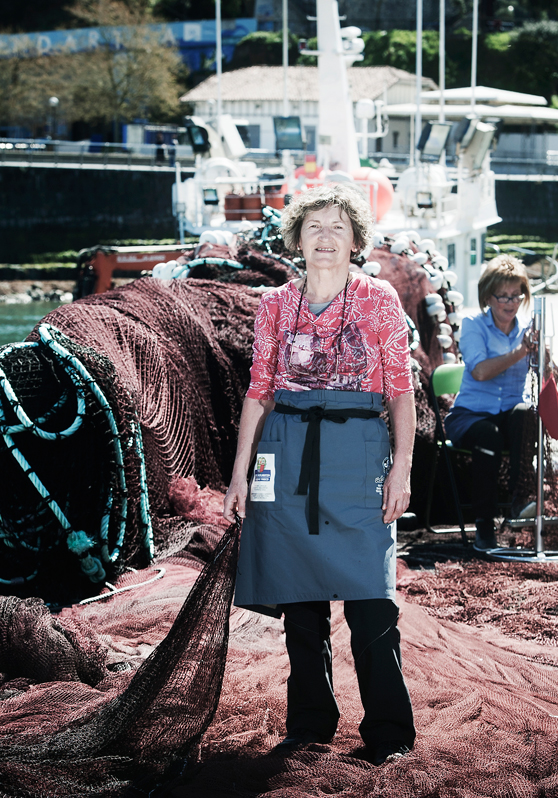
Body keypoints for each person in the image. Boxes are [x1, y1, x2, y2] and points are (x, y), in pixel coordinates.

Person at [222, 182, 416, 766]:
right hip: (285, 453)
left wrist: (401, 469)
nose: (325, 237)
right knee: (300, 604)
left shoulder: (379, 299)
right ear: (297, 240)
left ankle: (389, 732)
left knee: (372, 603)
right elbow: (258, 392)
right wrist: (239, 474)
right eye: (314, 227)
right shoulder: (274, 305)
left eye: (338, 227)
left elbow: (401, 393)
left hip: (359, 454)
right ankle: (310, 725)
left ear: (355, 240)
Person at [442, 255, 538, 552]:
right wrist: (521, 352)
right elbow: (480, 372)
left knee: (525, 414)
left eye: (516, 295)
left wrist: (545, 356)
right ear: (488, 297)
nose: (510, 303)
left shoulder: (529, 329)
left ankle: (521, 500)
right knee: (488, 435)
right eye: (503, 296)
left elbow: (547, 374)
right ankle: (484, 525)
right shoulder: (473, 325)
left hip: (509, 417)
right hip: (470, 416)